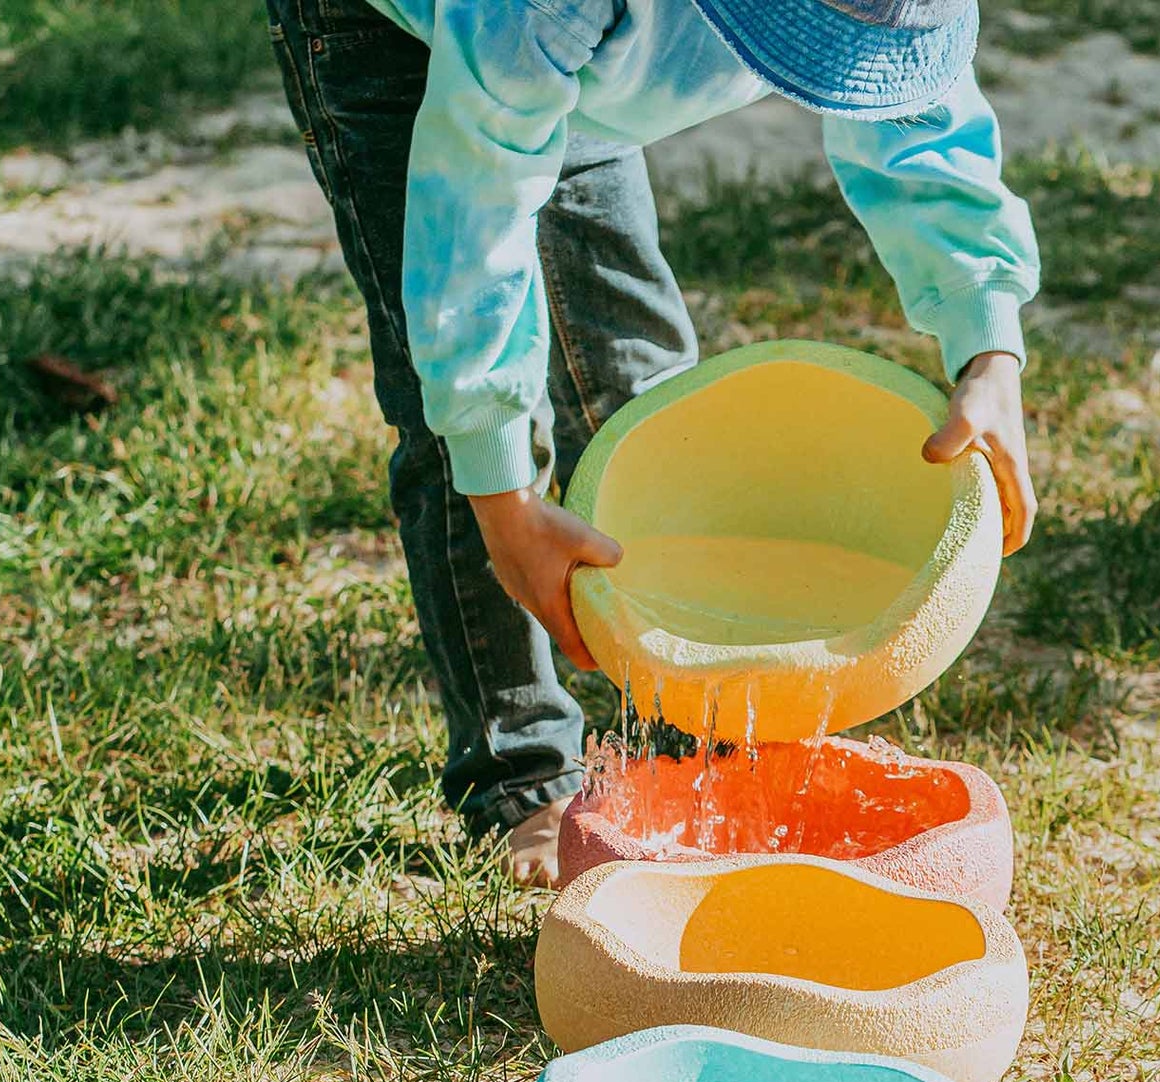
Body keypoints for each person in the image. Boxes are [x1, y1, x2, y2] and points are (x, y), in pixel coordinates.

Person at [266, 0, 1040, 883]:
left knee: (639, 387)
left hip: (573, 57)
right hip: (404, 36)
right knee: (464, 439)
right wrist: (502, 493)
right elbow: (475, 205)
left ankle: (689, 743)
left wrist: (988, 339)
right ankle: (523, 777)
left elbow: (917, 106)